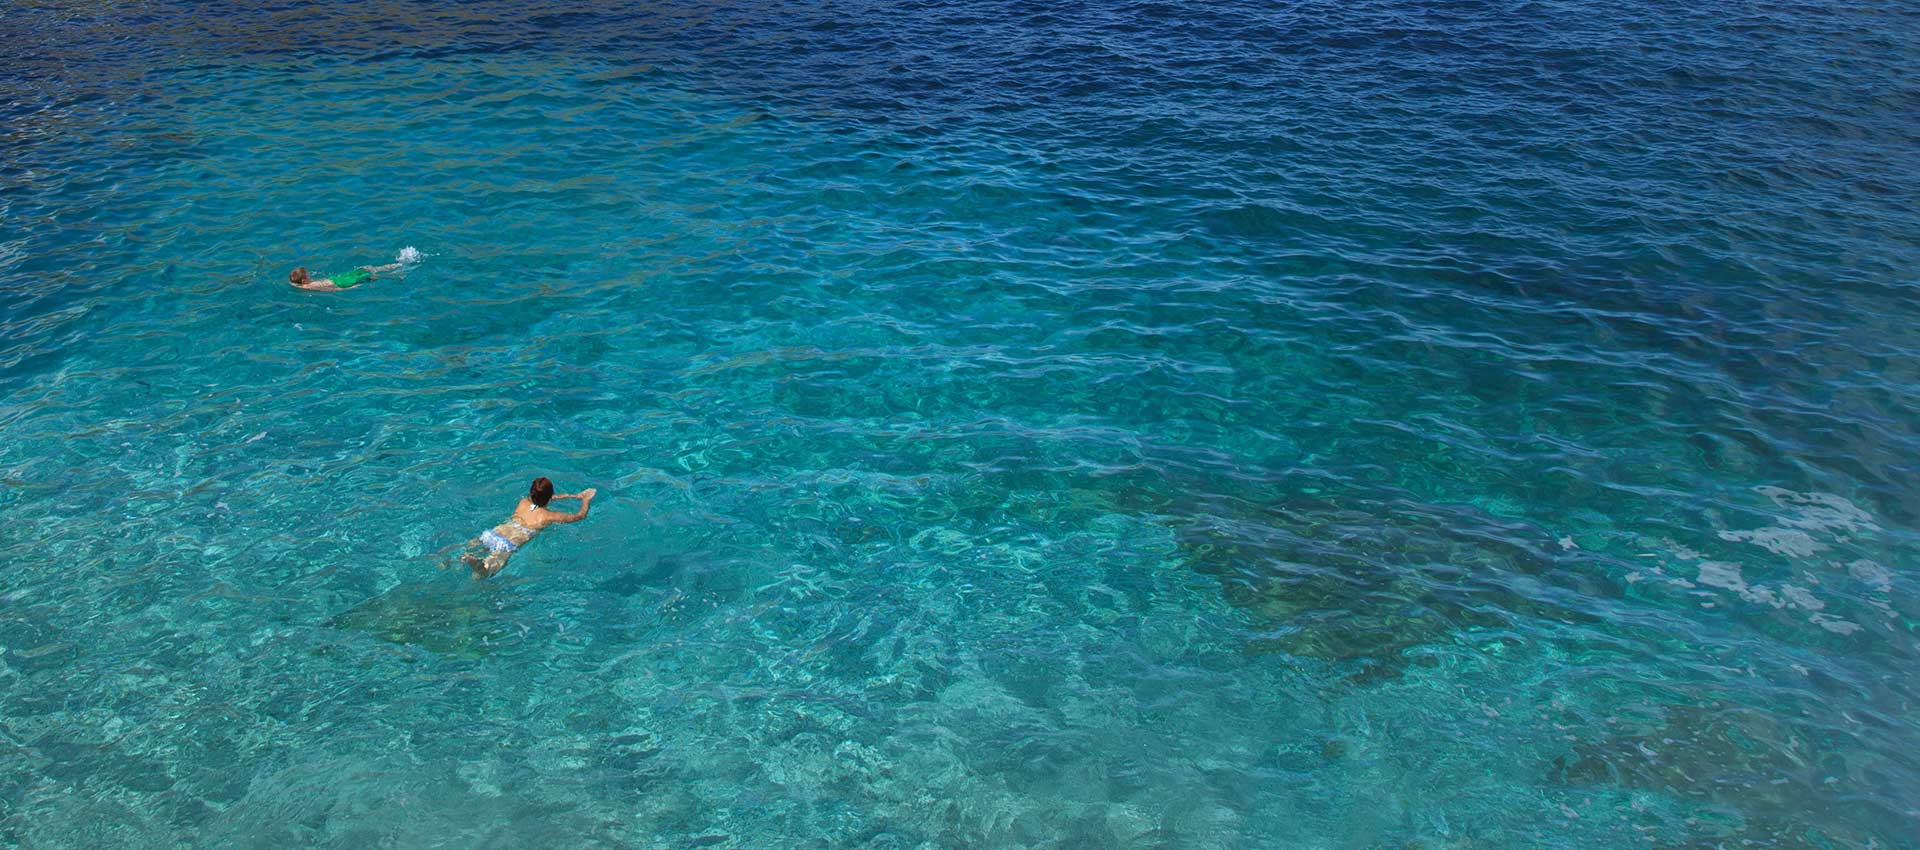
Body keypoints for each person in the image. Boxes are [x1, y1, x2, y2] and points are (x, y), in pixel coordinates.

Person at [454, 477, 597, 578]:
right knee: (486, 573)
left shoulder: (524, 502)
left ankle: (453, 560)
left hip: (495, 532)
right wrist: (585, 500)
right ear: (550, 496)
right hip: (509, 543)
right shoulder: (550, 516)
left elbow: (543, 497)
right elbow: (580, 516)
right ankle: (479, 566)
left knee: (467, 549)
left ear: (531, 493)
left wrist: (573, 495)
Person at [288, 261, 404, 292]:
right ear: (304, 281)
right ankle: (394, 273)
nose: (310, 277)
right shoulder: (310, 286)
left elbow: (293, 282)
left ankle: (393, 267)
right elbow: (330, 290)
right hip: (342, 283)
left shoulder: (298, 284)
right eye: (308, 276)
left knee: (364, 269)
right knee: (368, 276)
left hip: (338, 278)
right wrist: (348, 288)